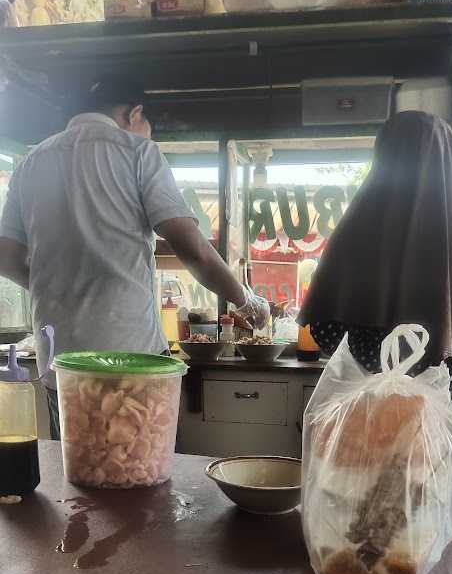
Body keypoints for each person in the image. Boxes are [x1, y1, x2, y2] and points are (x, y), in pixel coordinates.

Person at [0, 79, 269, 438]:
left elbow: (5, 257)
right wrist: (248, 301)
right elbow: (194, 250)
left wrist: (53, 285)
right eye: (147, 127)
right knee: (143, 475)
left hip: (60, 360)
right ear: (134, 114)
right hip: (133, 358)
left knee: (80, 477)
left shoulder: (31, 164)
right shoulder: (138, 152)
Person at [299, 110, 452, 444]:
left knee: (379, 485)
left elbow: (325, 328)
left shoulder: (360, 227)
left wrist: (379, 345)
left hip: (380, 390)